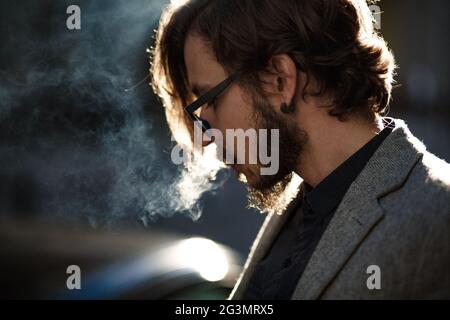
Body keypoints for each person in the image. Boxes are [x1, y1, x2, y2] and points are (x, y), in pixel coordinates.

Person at [150, 0, 450, 299]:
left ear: (281, 80)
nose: (204, 137)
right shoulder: (300, 203)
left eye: (209, 101)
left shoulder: (438, 213)